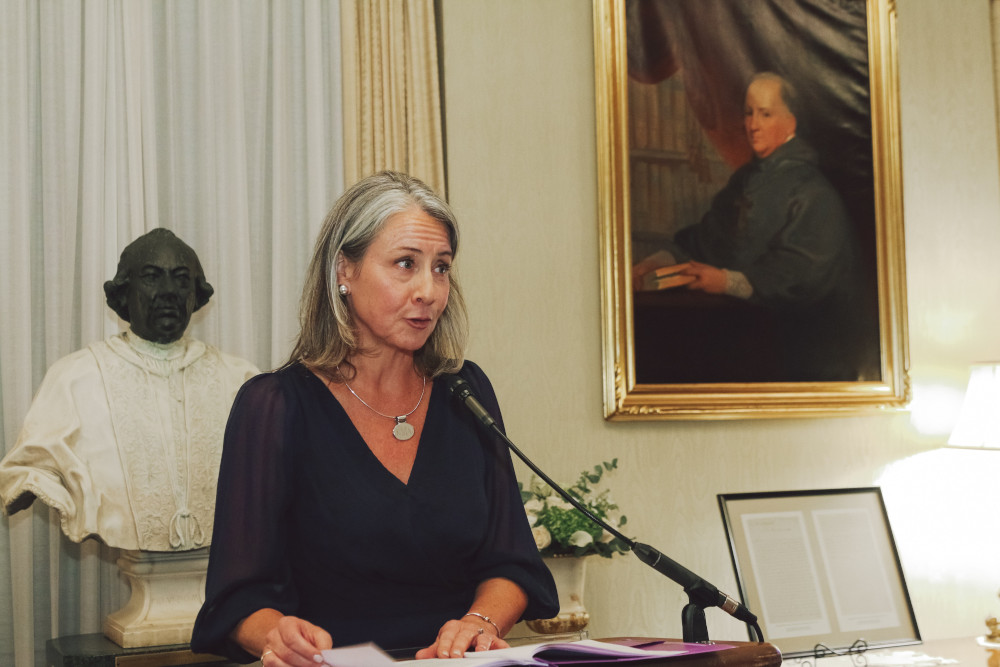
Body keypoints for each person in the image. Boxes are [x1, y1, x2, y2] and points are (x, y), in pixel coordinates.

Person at [190, 171, 558, 664]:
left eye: (442, 268)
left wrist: (479, 623)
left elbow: (512, 561)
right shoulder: (274, 405)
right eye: (406, 264)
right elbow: (238, 598)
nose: (428, 290)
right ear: (345, 270)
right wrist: (276, 636)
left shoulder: (464, 390)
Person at [0, 228, 260, 551]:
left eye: (181, 279)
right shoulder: (75, 380)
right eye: (151, 277)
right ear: (124, 293)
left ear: (197, 295)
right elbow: (24, 471)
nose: (168, 292)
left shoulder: (242, 381)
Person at [634, 72, 870, 380]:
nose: (753, 125)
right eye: (748, 113)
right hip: (745, 337)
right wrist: (658, 262)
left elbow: (801, 276)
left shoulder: (813, 192)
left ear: (792, 123)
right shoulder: (745, 181)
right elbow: (706, 239)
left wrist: (726, 281)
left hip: (804, 351)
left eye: (766, 114)